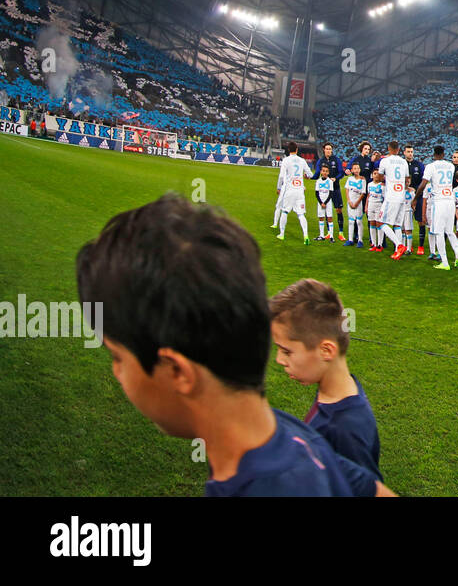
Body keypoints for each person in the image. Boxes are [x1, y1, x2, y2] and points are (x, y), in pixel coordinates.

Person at [75, 194, 393, 496]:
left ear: (177, 372)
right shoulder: (289, 432)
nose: (117, 373)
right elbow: (371, 488)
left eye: (118, 357)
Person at [269, 279, 382, 479]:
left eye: (286, 351)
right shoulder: (334, 391)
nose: (279, 360)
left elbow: (365, 487)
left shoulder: (345, 429)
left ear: (326, 350)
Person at [420, 146, 458, 268]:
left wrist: (415, 198)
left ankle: (445, 262)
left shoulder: (431, 166)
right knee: (450, 231)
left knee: (438, 232)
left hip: (439, 200)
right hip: (450, 200)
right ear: (443, 154)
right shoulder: (451, 166)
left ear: (434, 154)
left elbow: (423, 184)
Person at [377, 142, 410, 259]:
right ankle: (397, 252)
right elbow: (407, 179)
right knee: (397, 225)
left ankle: (399, 245)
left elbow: (380, 178)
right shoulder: (404, 161)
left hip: (391, 196)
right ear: (399, 149)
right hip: (402, 196)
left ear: (388, 148)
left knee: (381, 222)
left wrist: (387, 178)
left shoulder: (385, 161)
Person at [276, 142, 313, 244]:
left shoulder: (286, 160)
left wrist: (279, 187)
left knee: (285, 211)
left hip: (290, 190)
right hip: (300, 191)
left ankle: (282, 234)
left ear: (289, 150)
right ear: (297, 149)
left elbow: (281, 176)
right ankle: (306, 236)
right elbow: (310, 174)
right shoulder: (302, 160)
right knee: (301, 214)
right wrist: (306, 176)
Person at [314, 141, 346, 237]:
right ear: (324, 150)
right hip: (325, 191)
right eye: (327, 149)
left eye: (330, 149)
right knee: (326, 211)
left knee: (338, 209)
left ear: (332, 150)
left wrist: (335, 178)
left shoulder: (336, 160)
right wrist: (310, 177)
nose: (328, 150)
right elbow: (316, 174)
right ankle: (329, 232)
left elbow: (341, 172)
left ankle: (341, 232)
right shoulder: (320, 161)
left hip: (335, 188)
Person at [403, 145, 426, 255]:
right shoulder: (401, 164)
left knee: (420, 221)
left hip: (418, 195)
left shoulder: (419, 165)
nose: (410, 153)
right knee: (402, 221)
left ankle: (420, 246)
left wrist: (416, 196)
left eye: (411, 151)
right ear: (404, 153)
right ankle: (405, 245)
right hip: (404, 196)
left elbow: (423, 181)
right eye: (408, 151)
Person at [343, 162, 366, 247]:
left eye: (358, 168)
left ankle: (360, 240)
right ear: (352, 170)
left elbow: (363, 193)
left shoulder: (363, 180)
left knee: (359, 221)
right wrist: (349, 201)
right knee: (351, 221)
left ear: (360, 170)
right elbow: (347, 190)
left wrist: (356, 203)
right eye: (354, 168)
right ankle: (350, 240)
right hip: (350, 203)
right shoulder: (350, 179)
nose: (356, 170)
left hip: (358, 204)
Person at [366, 171, 385, 251]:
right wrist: (366, 206)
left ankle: (380, 244)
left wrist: (383, 209)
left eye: (378, 174)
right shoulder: (369, 184)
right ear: (372, 175)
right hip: (371, 205)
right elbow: (368, 195)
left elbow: (385, 198)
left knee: (379, 224)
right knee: (372, 223)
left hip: (379, 205)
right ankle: (374, 243)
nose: (376, 175)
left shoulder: (382, 186)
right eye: (374, 173)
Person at [314, 170, 335, 242]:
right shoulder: (318, 181)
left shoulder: (330, 181)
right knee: (321, 218)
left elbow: (331, 193)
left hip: (328, 202)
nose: (325, 173)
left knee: (329, 218)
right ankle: (321, 235)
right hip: (320, 202)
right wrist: (321, 203)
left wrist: (325, 203)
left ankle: (331, 236)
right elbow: (316, 193)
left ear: (328, 173)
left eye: (326, 171)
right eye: (323, 171)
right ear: (321, 172)